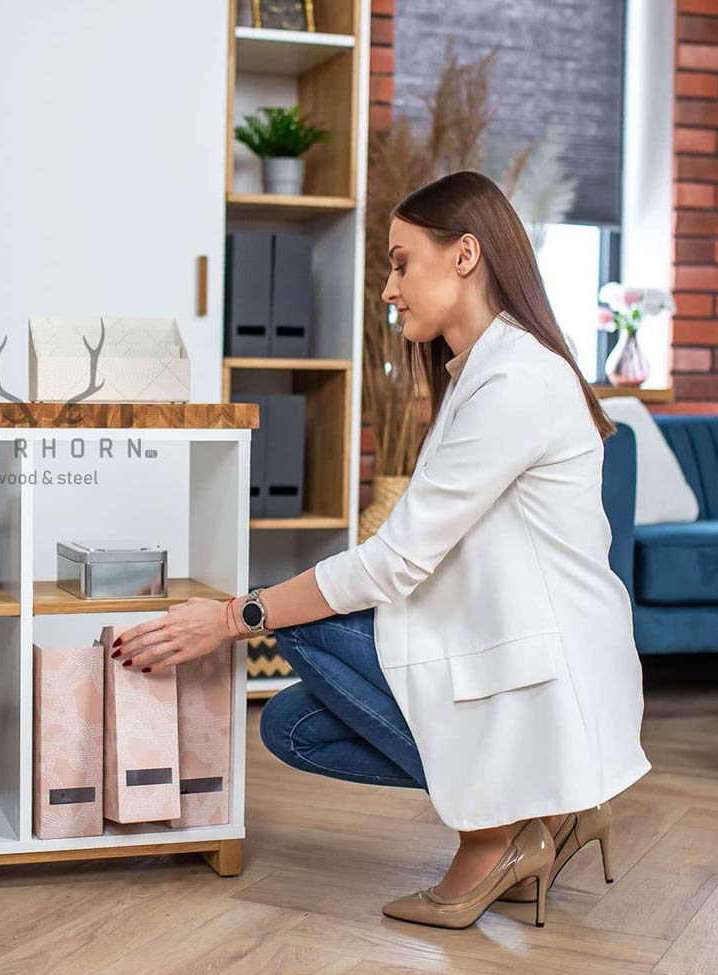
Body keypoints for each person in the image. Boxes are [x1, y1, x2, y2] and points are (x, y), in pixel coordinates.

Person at [111, 170, 651, 931]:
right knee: (290, 726)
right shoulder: (479, 374)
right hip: (490, 638)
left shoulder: (519, 380)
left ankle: (497, 833)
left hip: (541, 662)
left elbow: (395, 561)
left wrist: (234, 616)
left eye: (401, 262)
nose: (389, 288)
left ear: (465, 255)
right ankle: (546, 814)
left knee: (299, 619)